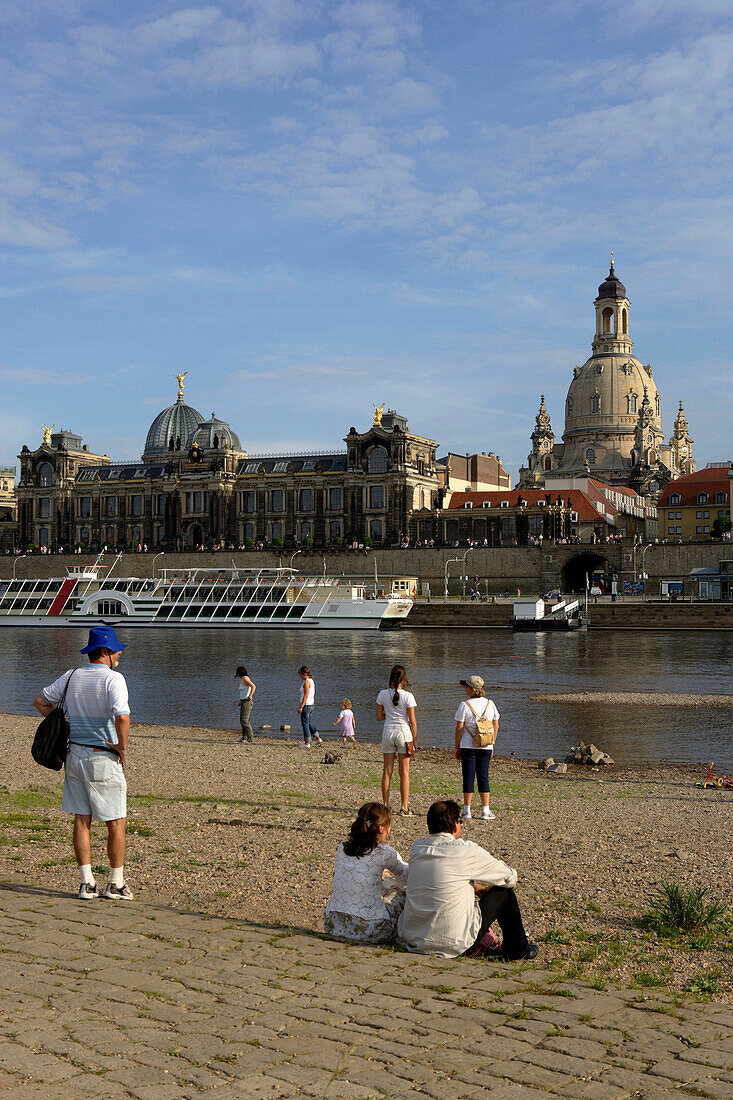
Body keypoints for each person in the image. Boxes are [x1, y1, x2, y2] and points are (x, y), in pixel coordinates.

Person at [32, 624, 133, 902]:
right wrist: (122, 747)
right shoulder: (114, 679)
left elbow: (40, 701)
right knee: (116, 821)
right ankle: (115, 883)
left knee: (82, 819)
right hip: (103, 755)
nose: (120, 653)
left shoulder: (71, 676)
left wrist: (63, 724)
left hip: (74, 754)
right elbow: (122, 716)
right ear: (105, 652)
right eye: (116, 649)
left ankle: (86, 883)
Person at [398, 800, 538, 961]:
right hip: (456, 943)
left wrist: (472, 885)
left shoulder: (418, 848)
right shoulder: (466, 850)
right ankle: (518, 950)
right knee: (504, 892)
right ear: (456, 825)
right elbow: (509, 878)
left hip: (415, 940)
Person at [324, 803, 408, 944]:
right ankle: (401, 936)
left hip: (334, 924)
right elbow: (406, 876)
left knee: (380, 883)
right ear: (381, 828)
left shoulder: (343, 848)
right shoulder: (384, 853)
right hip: (369, 930)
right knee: (402, 894)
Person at [454, 675, 499, 822]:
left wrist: (456, 746)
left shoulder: (464, 705)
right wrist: (492, 742)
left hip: (467, 745)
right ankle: (485, 810)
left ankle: (467, 810)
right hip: (486, 745)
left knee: (468, 776)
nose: (465, 689)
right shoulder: (490, 704)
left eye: (466, 687)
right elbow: (495, 724)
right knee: (483, 776)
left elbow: (459, 728)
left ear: (473, 689)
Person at [376, 664, 417, 816]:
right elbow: (412, 720)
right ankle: (404, 806)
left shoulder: (382, 694)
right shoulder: (408, 696)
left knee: (387, 772)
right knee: (404, 772)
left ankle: (385, 805)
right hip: (403, 732)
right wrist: (415, 738)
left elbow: (379, 717)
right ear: (404, 679)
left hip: (388, 731)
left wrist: (389, 715)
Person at [297, 665, 322, 748]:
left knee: (305, 724)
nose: (299, 676)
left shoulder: (307, 682)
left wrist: (301, 706)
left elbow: (306, 695)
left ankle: (307, 742)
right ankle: (317, 738)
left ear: (304, 674)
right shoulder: (311, 681)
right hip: (311, 704)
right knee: (309, 722)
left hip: (307, 705)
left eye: (300, 674)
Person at [235, 665, 256, 743]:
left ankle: (250, 738)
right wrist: (240, 700)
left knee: (245, 720)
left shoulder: (245, 679)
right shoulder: (242, 679)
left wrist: (250, 696)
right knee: (242, 720)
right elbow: (243, 691)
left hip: (247, 702)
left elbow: (254, 686)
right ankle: (244, 737)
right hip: (243, 701)